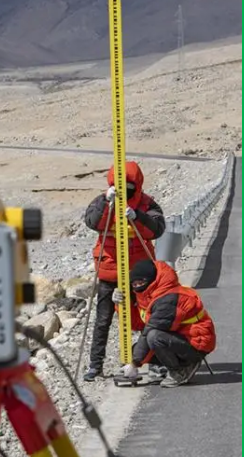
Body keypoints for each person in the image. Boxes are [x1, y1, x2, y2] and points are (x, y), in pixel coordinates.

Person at [83, 162, 166, 381]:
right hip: (109, 271)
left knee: (147, 319)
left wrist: (138, 216)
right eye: (120, 186)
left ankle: (155, 362)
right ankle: (95, 365)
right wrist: (105, 202)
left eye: (129, 186)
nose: (125, 190)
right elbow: (92, 222)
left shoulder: (148, 204)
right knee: (103, 320)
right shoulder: (103, 201)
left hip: (139, 274)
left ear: (136, 185)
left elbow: (157, 229)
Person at [116, 260, 217, 388]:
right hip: (180, 337)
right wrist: (121, 304)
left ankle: (181, 370)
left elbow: (149, 332)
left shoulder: (169, 299)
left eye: (140, 282)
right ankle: (172, 365)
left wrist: (134, 364)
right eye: (134, 283)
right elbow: (138, 324)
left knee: (154, 337)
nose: (137, 286)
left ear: (151, 280)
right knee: (136, 349)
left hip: (196, 342)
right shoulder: (149, 294)